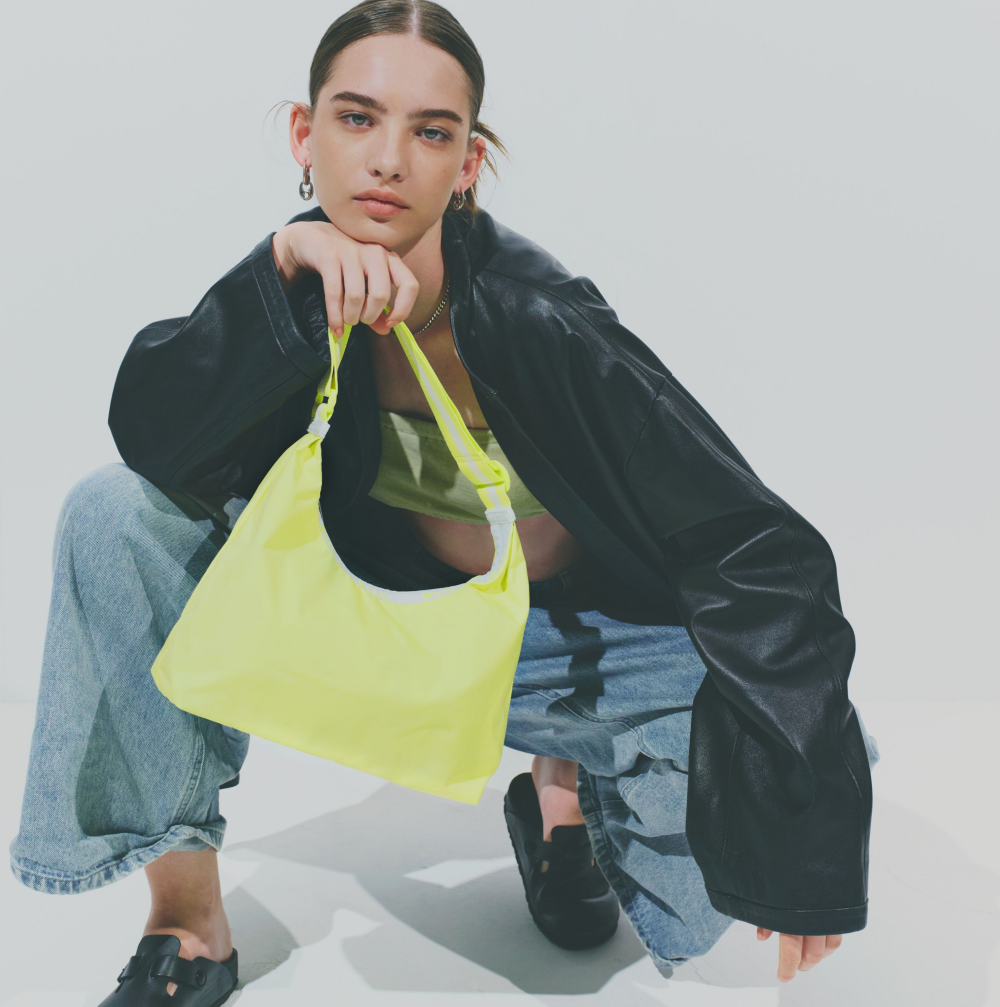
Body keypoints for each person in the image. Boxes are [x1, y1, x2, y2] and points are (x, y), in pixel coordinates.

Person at [10, 1, 878, 1002]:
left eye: (430, 132)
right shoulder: (291, 288)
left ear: (468, 163)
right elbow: (155, 443)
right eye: (356, 118)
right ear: (303, 135)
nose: (387, 160)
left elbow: (755, 546)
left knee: (805, 755)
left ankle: (563, 795)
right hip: (377, 623)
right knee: (112, 511)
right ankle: (187, 921)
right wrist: (279, 267)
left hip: (559, 650)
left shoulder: (542, 319)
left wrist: (804, 822)